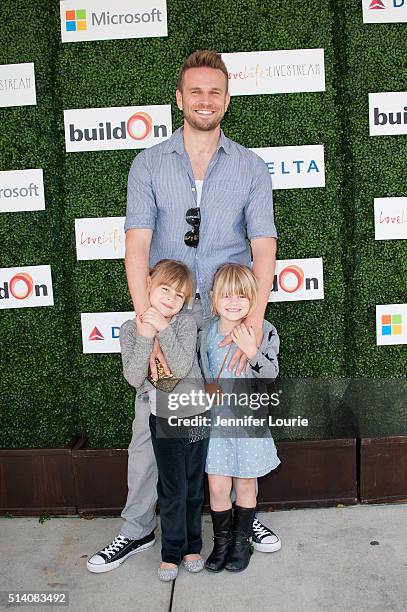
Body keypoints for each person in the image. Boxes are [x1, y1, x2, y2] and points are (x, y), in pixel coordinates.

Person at [87, 49, 280, 574]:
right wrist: (147, 325)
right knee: (152, 429)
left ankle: (240, 519)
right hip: (169, 318)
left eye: (214, 91)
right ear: (179, 98)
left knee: (233, 421)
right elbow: (137, 247)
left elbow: (264, 247)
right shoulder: (148, 163)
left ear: (227, 100)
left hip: (228, 319)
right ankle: (136, 527)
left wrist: (255, 323)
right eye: (195, 90)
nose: (205, 99)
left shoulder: (250, 167)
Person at [119, 259, 209, 581]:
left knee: (194, 487)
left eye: (180, 295)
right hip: (162, 418)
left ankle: (193, 547)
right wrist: (145, 334)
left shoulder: (184, 325)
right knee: (172, 487)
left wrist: (164, 328)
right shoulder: (131, 329)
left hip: (195, 413)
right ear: (148, 285)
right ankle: (171, 553)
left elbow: (183, 366)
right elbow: (133, 377)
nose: (171, 298)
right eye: (165, 289)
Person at [199, 263, 280, 573]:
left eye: (242, 296)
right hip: (216, 425)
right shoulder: (205, 332)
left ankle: (241, 543)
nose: (234, 302)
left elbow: (270, 375)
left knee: (245, 486)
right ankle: (221, 544)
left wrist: (251, 349)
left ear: (253, 298)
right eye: (226, 295)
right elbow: (198, 370)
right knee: (218, 488)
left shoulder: (263, 330)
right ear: (213, 297)